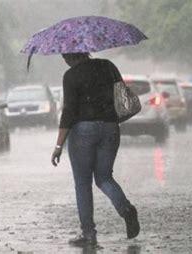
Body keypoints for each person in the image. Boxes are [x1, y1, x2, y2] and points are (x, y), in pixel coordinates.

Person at [51, 52, 140, 247]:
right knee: (104, 177)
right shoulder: (107, 66)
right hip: (110, 127)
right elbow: (121, 93)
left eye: (65, 56)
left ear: (72, 56)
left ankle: (89, 234)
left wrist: (58, 145)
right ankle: (126, 209)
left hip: (83, 131)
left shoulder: (71, 75)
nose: (64, 59)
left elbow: (69, 111)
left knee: (83, 183)